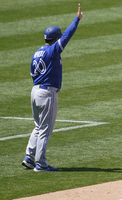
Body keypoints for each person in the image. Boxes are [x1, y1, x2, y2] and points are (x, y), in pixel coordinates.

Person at [21, 4, 83, 172]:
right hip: (47, 92)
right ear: (56, 39)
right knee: (45, 128)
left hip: (35, 91)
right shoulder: (53, 50)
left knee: (38, 126)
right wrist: (76, 20)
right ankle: (41, 163)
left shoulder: (37, 53)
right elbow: (68, 36)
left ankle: (29, 157)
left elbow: (33, 73)